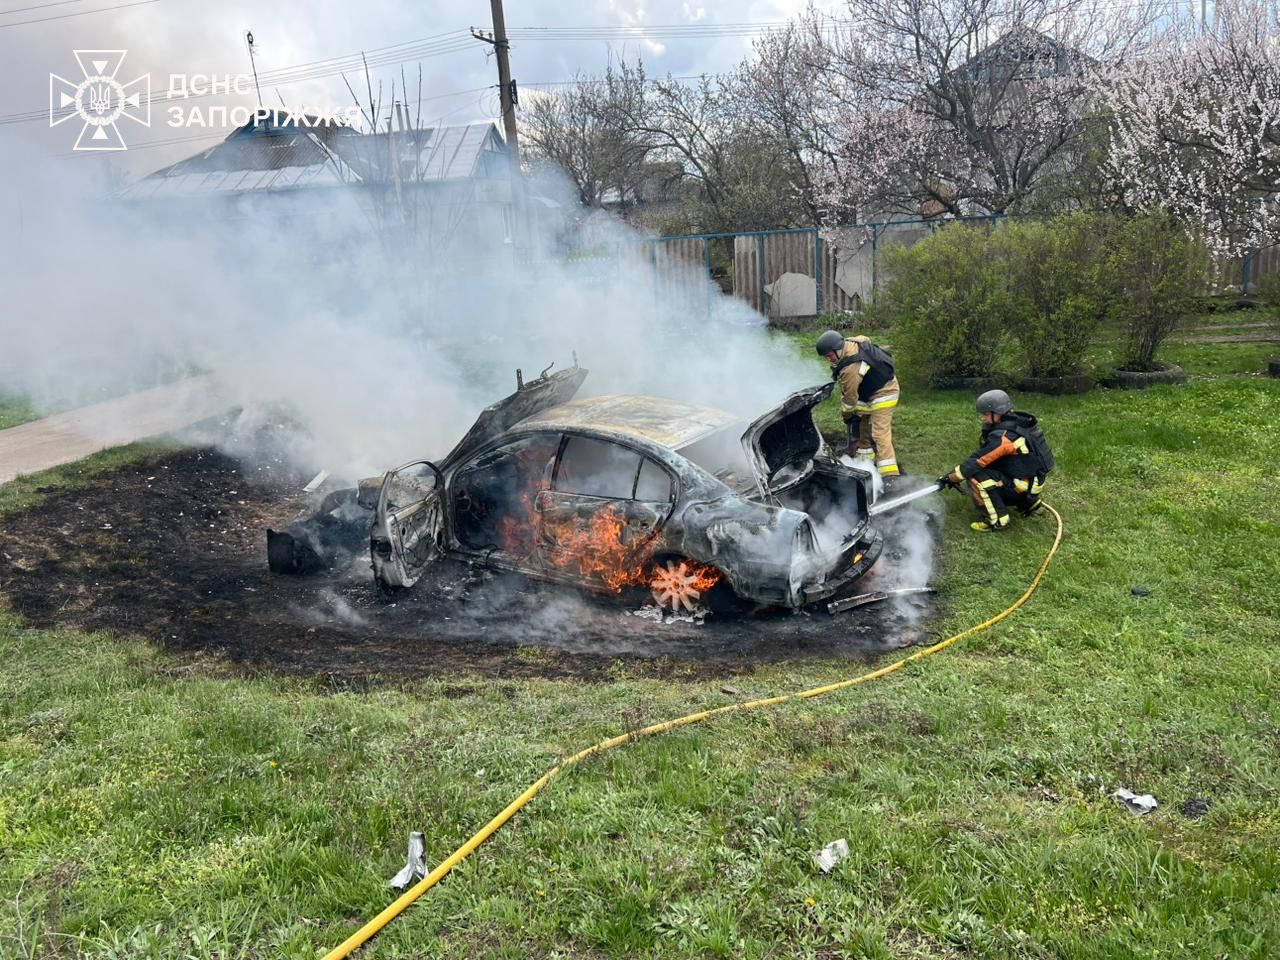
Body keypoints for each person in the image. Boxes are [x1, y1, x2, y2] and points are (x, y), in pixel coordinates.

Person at [939, 389, 1055, 532]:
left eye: (986, 414)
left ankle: (998, 520)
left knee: (976, 478)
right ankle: (1028, 503)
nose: (983, 418)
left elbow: (977, 461)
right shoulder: (1017, 425)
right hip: (1032, 482)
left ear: (998, 413)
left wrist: (950, 478)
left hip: (1023, 486)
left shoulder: (1004, 437)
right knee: (988, 468)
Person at [815, 329, 901, 480]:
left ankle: (890, 475)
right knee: (861, 427)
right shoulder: (852, 342)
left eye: (830, 355)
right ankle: (865, 463)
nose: (829, 360)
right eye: (826, 357)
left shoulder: (850, 369)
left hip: (885, 392)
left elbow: (850, 398)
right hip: (868, 391)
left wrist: (847, 416)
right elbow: (865, 338)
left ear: (838, 349)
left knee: (879, 433)